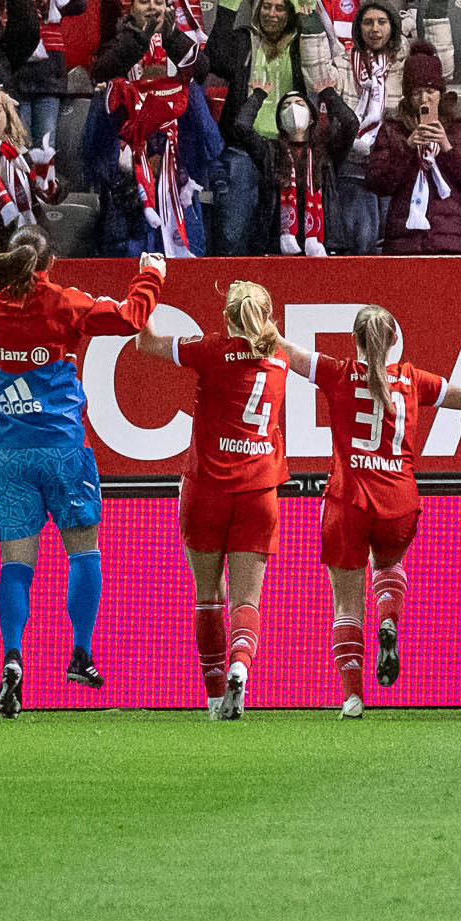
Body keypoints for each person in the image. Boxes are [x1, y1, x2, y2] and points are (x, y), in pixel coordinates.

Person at [0, 222, 164, 715]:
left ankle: (12, 659)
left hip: (7, 454)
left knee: (16, 566)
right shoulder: (65, 303)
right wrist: (151, 275)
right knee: (83, 554)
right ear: (49, 265)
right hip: (63, 449)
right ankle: (81, 654)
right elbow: (131, 318)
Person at [249, 303, 461, 717]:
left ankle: (353, 697)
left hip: (348, 503)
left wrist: (255, 308)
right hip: (399, 502)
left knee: (345, 606)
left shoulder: (337, 372)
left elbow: (280, 346)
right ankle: (389, 618)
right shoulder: (414, 380)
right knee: (388, 568)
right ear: (395, 340)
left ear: (355, 341)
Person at [122, 283, 299, 721]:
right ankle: (241, 668)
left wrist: (146, 282)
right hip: (259, 493)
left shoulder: (211, 349)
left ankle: (216, 697)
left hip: (206, 490)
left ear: (227, 316)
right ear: (269, 314)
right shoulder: (282, 357)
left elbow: (144, 342)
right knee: (246, 602)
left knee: (208, 597)